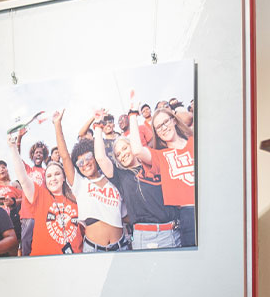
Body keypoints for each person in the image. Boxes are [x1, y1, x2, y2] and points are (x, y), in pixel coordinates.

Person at [94, 113, 180, 250]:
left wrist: (133, 113)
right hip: (145, 238)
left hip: (172, 233)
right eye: (118, 154)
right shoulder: (121, 176)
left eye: (124, 148)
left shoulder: (154, 163)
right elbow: (100, 158)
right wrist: (98, 125)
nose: (123, 154)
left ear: (132, 146)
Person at [54, 109, 126, 252]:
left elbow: (126, 216)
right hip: (94, 250)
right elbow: (65, 157)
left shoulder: (113, 179)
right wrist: (57, 124)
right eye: (80, 163)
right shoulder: (80, 184)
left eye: (87, 158)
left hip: (122, 247)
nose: (85, 164)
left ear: (95, 157)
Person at [7, 117, 80, 255]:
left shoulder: (48, 171)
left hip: (48, 216)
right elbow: (20, 172)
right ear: (32, 155)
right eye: (36, 153)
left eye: (57, 174)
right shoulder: (29, 170)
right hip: (30, 212)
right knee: (27, 244)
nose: (52, 178)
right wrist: (16, 142)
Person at [137, 106, 195, 247]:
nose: (163, 128)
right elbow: (137, 150)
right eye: (158, 127)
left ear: (174, 121)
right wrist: (133, 114)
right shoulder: (160, 156)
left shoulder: (196, 141)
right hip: (188, 216)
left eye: (165, 122)